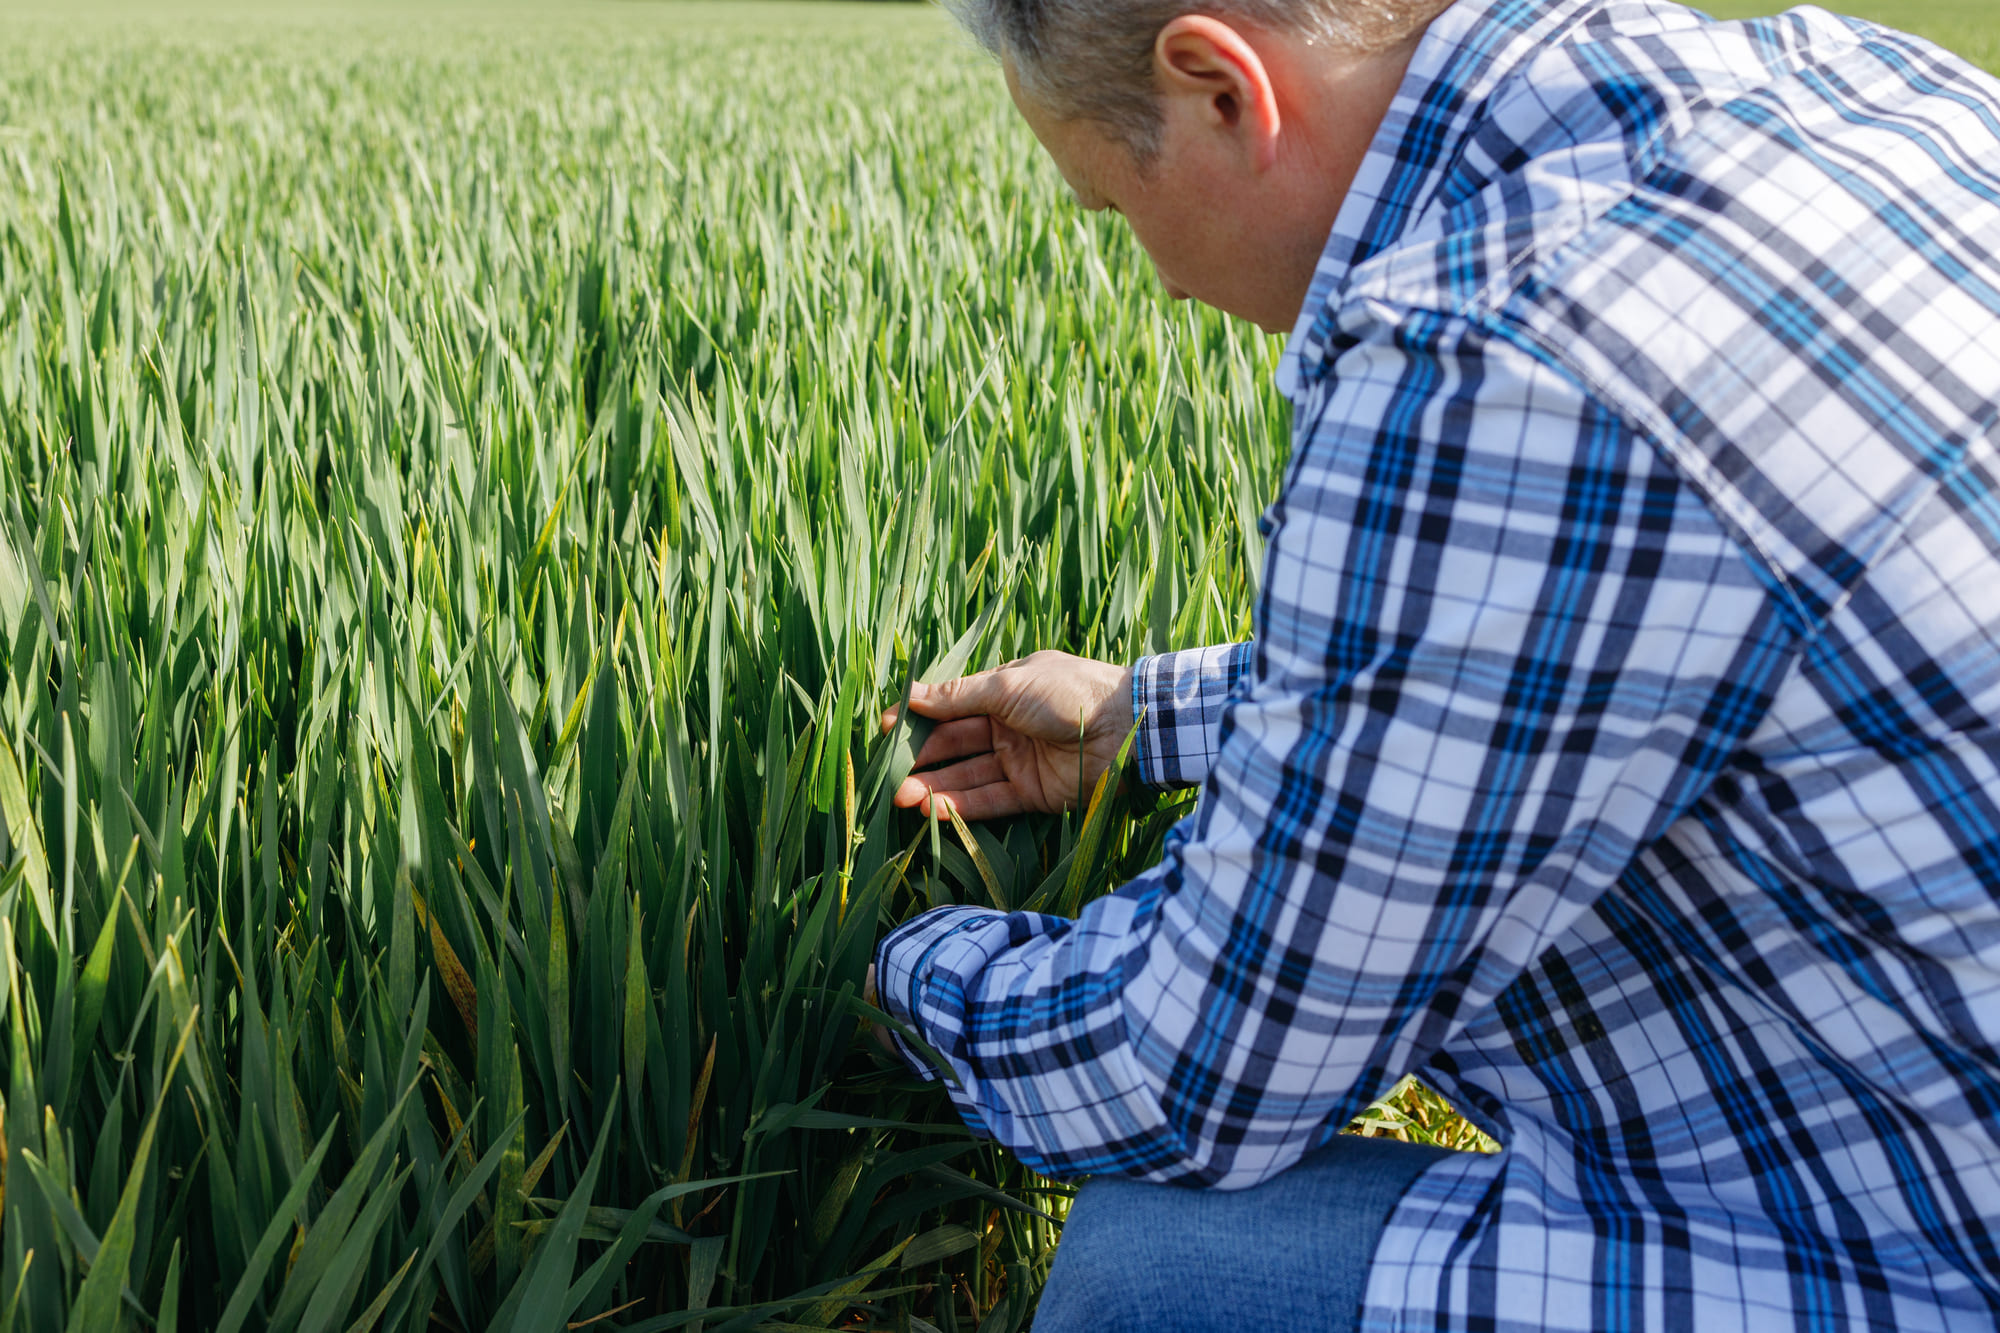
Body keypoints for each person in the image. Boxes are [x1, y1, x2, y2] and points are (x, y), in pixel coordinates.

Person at [863, 0, 2000, 1326]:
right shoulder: (1851, 79)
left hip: (1945, 1255)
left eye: (1116, 210)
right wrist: (1144, 717)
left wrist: (890, 969)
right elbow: (1600, 652)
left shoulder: (1494, 356)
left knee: (1153, 1274)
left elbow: (1199, 1076)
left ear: (1219, 88)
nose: (1159, 277)